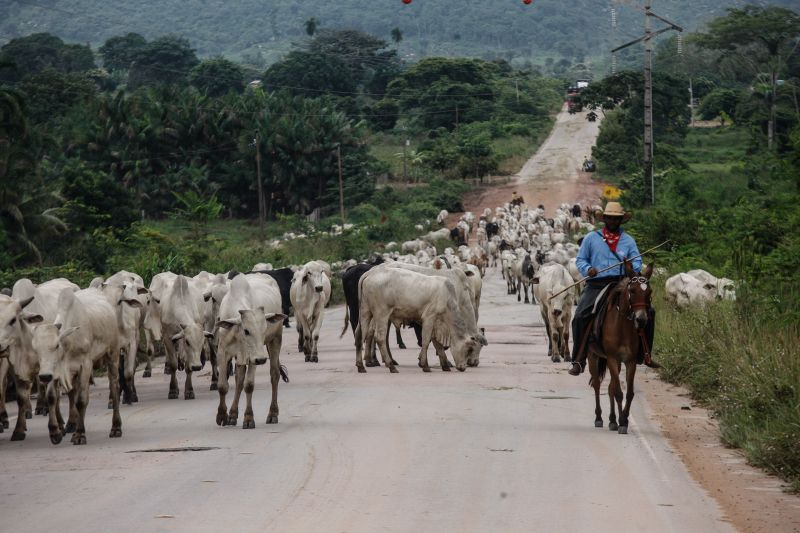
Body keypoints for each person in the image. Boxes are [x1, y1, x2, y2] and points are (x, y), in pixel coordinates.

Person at [568, 202, 657, 376]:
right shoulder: (591, 238)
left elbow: (638, 261)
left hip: (622, 282)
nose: (613, 221)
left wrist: (631, 267)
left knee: (649, 312)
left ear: (621, 220)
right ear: (605, 219)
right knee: (579, 316)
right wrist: (589, 270)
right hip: (597, 283)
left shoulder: (628, 240)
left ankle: (645, 354)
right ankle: (578, 359)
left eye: (616, 219)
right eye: (610, 218)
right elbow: (581, 260)